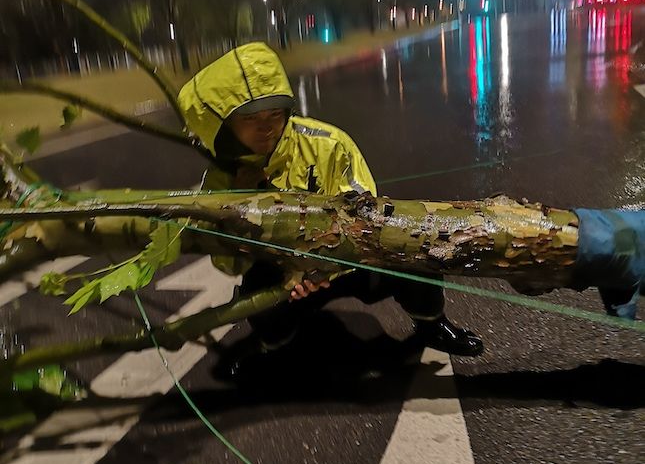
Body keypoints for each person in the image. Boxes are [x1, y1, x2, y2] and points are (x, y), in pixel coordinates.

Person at [178, 42, 483, 374]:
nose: (266, 127)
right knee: (255, 291)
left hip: (351, 264)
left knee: (408, 242)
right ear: (227, 123)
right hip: (285, 281)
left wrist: (319, 264)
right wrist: (244, 199)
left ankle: (431, 323)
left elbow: (368, 219)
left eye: (274, 114)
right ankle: (274, 346)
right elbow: (227, 263)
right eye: (250, 119)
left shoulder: (328, 144)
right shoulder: (221, 179)